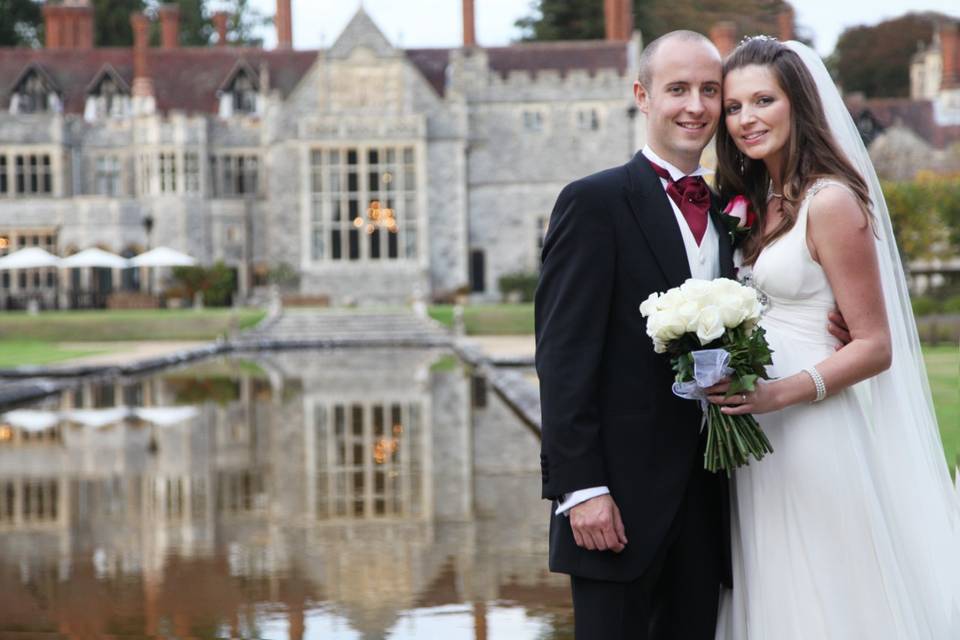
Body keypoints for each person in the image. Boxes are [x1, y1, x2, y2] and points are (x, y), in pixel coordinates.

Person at [708, 37, 960, 639]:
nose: (747, 120)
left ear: (798, 102)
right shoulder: (752, 203)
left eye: (763, 100)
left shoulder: (830, 200)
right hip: (754, 435)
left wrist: (780, 393)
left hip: (811, 427)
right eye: (735, 107)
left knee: (824, 592)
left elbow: (875, 345)